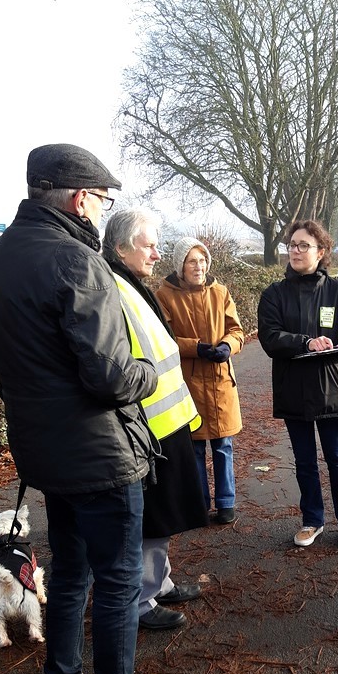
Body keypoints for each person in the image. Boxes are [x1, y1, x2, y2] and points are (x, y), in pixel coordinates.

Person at [0, 144, 195, 674]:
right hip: (100, 453)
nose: (101, 210)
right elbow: (110, 376)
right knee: (119, 581)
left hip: (45, 453)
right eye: (102, 199)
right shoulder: (76, 261)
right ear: (80, 198)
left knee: (71, 574)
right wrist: (150, 370)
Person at [102, 210, 209, 631]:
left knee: (165, 515)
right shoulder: (113, 287)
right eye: (149, 245)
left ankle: (158, 583)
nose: (157, 252)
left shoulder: (128, 283)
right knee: (152, 517)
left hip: (165, 421)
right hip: (150, 429)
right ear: (121, 247)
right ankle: (143, 601)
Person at [257, 219, 338, 548]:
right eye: (291, 245)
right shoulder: (274, 295)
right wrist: (305, 342)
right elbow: (269, 338)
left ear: (321, 251)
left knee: (337, 459)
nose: (294, 251)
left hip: (332, 390)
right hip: (293, 390)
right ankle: (312, 520)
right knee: (305, 461)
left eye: (303, 245)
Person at [156, 237, 244, 525]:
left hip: (220, 379)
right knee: (194, 446)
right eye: (192, 261)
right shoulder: (164, 296)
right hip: (188, 382)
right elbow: (163, 339)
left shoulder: (220, 292)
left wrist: (227, 346)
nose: (199, 266)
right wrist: (196, 347)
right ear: (181, 265)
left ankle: (226, 502)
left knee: (223, 444)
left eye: (202, 260)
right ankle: (200, 502)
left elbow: (236, 330)